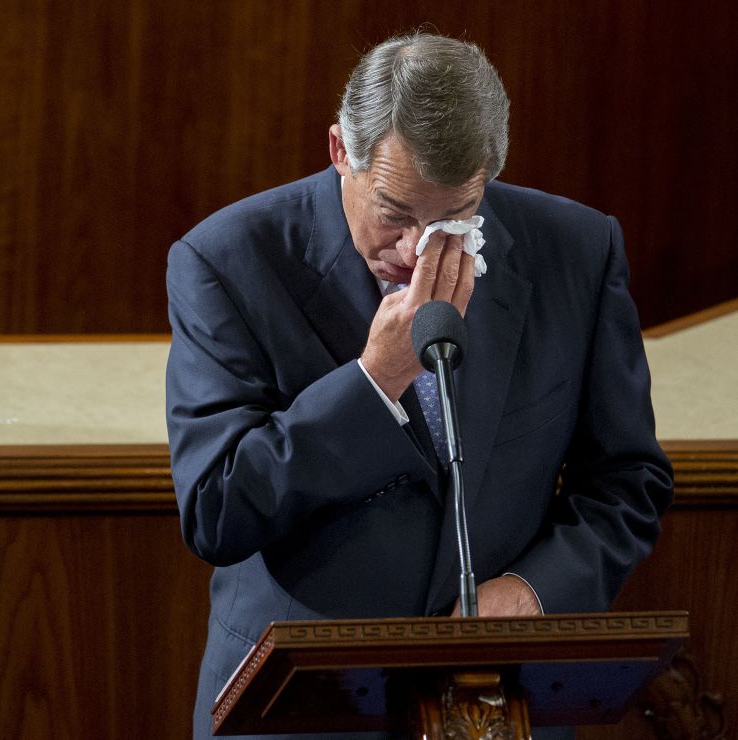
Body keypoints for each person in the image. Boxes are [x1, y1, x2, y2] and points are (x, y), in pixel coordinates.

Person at [164, 32, 673, 740]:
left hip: (497, 705)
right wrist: (376, 381)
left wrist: (533, 590)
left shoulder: (577, 252)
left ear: (487, 176)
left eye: (454, 217)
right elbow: (217, 509)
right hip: (298, 709)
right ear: (341, 150)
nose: (419, 251)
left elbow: (626, 481)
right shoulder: (225, 262)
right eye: (396, 213)